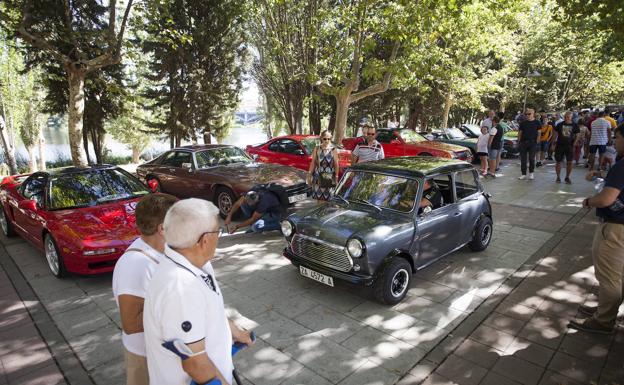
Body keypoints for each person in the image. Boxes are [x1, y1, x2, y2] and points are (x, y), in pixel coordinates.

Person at [144, 199, 254, 385]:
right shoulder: (180, 288)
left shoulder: (195, 263)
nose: (218, 236)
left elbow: (207, 309)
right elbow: (195, 364)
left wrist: (232, 330)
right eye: (217, 231)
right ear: (205, 240)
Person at [112, 193, 179, 385]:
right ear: (162, 228)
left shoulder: (162, 251)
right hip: (146, 357)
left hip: (163, 352)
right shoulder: (136, 265)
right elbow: (131, 324)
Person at [568, 124, 624, 334]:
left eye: (617, 137)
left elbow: (607, 198)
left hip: (615, 229)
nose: (614, 142)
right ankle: (606, 309)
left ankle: (603, 321)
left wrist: (589, 201)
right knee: (619, 275)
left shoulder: (622, 166)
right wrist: (603, 175)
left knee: (609, 276)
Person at [307, 130, 340, 201]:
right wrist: (309, 175)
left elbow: (336, 164)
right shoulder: (317, 148)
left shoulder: (333, 149)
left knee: (329, 200)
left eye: (329, 139)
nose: (327, 140)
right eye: (325, 138)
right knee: (319, 199)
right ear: (321, 138)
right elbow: (313, 163)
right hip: (318, 176)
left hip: (329, 177)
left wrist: (337, 177)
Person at [553, 111, 579, 184]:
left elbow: (577, 135)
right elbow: (555, 134)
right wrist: (553, 144)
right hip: (560, 145)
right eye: (566, 116)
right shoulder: (559, 124)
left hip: (569, 146)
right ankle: (558, 177)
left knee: (569, 162)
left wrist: (574, 144)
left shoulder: (575, 125)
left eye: (569, 116)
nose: (567, 118)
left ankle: (567, 177)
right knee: (558, 161)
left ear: (571, 117)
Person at [517, 108, 541, 180]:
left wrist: (537, 141)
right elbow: (520, 133)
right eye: (526, 114)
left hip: (533, 142)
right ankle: (523, 174)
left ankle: (531, 173)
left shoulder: (537, 122)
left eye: (529, 114)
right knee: (523, 159)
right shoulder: (523, 123)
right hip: (523, 142)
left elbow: (539, 133)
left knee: (531, 158)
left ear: (533, 114)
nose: (527, 115)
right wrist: (519, 141)